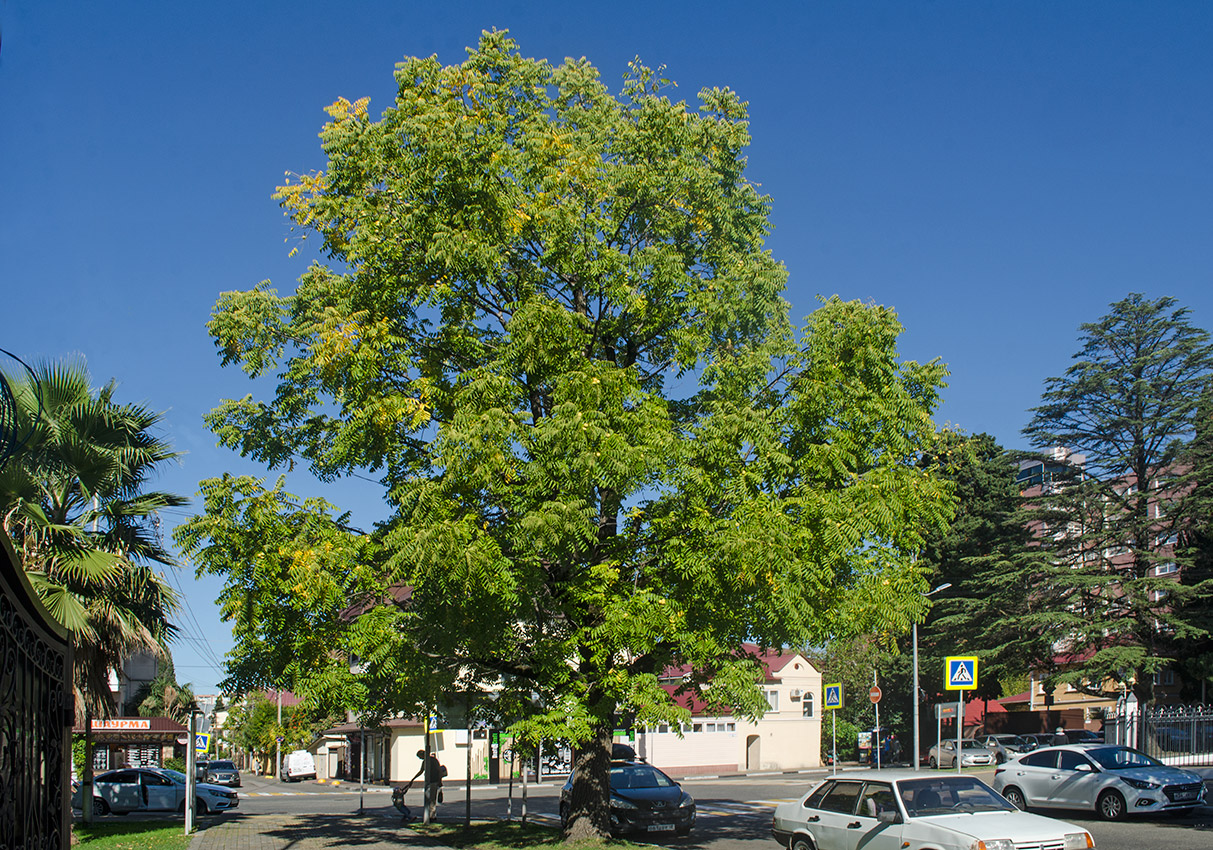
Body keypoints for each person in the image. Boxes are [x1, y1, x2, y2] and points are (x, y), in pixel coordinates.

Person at [412, 749, 446, 820]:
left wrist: (439, 781)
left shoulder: (432, 760)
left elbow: (439, 770)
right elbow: (421, 771)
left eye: (420, 756)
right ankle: (430, 815)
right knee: (430, 799)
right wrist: (413, 779)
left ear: (423, 754)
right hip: (430, 782)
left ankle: (432, 816)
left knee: (432, 799)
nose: (420, 758)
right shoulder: (427, 761)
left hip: (433, 781)